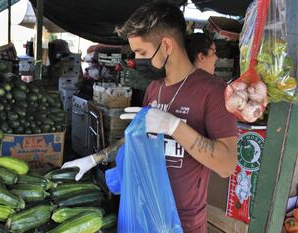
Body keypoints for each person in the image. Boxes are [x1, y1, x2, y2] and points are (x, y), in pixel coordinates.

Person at [62, 2, 238, 232]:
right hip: (141, 214)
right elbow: (136, 138)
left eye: (141, 52)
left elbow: (227, 165)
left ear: (166, 45)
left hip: (182, 224)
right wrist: (96, 159)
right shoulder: (154, 88)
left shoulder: (213, 92)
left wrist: (173, 126)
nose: (136, 60)